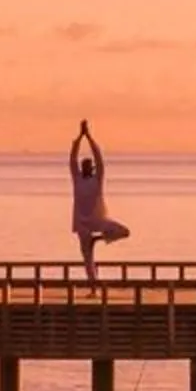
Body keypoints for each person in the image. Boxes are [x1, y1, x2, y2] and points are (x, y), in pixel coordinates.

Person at [69, 119, 130, 281]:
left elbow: (98, 157)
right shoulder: (77, 179)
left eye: (89, 166)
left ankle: (98, 239)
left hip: (98, 219)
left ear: (93, 168)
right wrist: (79, 137)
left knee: (124, 232)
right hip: (83, 223)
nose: (86, 168)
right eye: (84, 166)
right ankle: (94, 287)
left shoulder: (97, 179)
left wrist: (88, 136)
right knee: (87, 258)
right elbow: (72, 159)